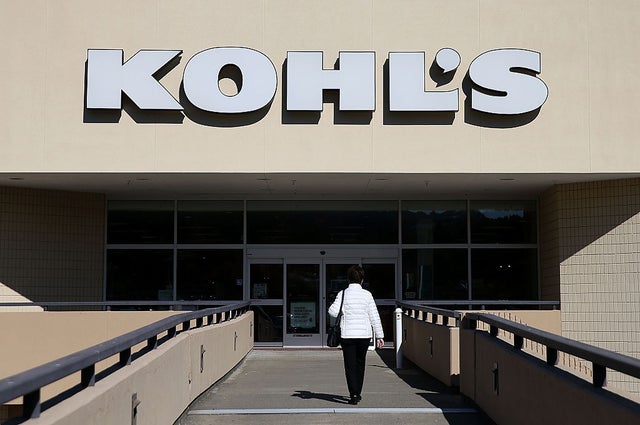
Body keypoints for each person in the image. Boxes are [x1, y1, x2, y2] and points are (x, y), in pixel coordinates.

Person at [328, 265, 384, 405]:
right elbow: (374, 316)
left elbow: (332, 312)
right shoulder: (367, 295)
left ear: (348, 279)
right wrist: (380, 336)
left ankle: (353, 394)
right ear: (362, 280)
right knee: (360, 364)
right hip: (364, 335)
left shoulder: (343, 294)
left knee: (350, 365)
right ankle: (358, 392)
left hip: (347, 335)